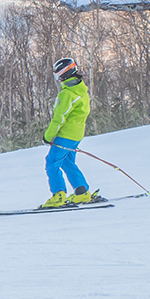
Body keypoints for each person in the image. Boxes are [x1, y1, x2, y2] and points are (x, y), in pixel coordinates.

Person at [42, 57, 98, 208]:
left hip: (65, 135)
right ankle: (81, 192)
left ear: (64, 73)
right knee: (67, 162)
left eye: (57, 74)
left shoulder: (67, 94)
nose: (57, 79)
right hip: (76, 135)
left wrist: (48, 136)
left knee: (52, 162)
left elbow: (59, 118)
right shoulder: (82, 92)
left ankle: (58, 195)